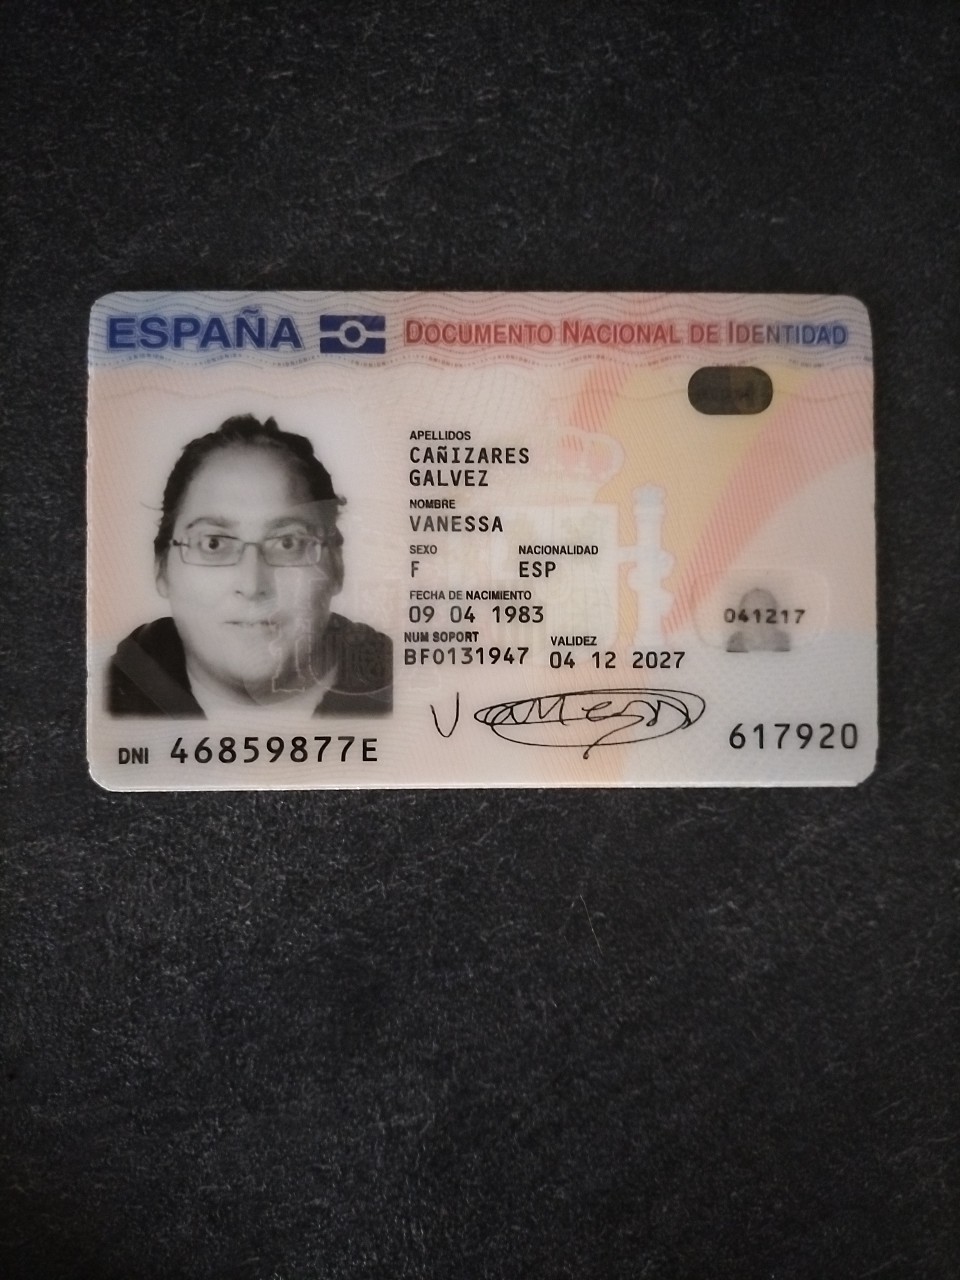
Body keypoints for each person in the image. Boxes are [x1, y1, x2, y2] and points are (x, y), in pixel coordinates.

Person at [108, 415, 392, 716]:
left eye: (288, 543)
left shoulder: (413, 691)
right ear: (161, 568)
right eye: (214, 543)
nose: (252, 585)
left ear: (336, 565)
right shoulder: (98, 701)